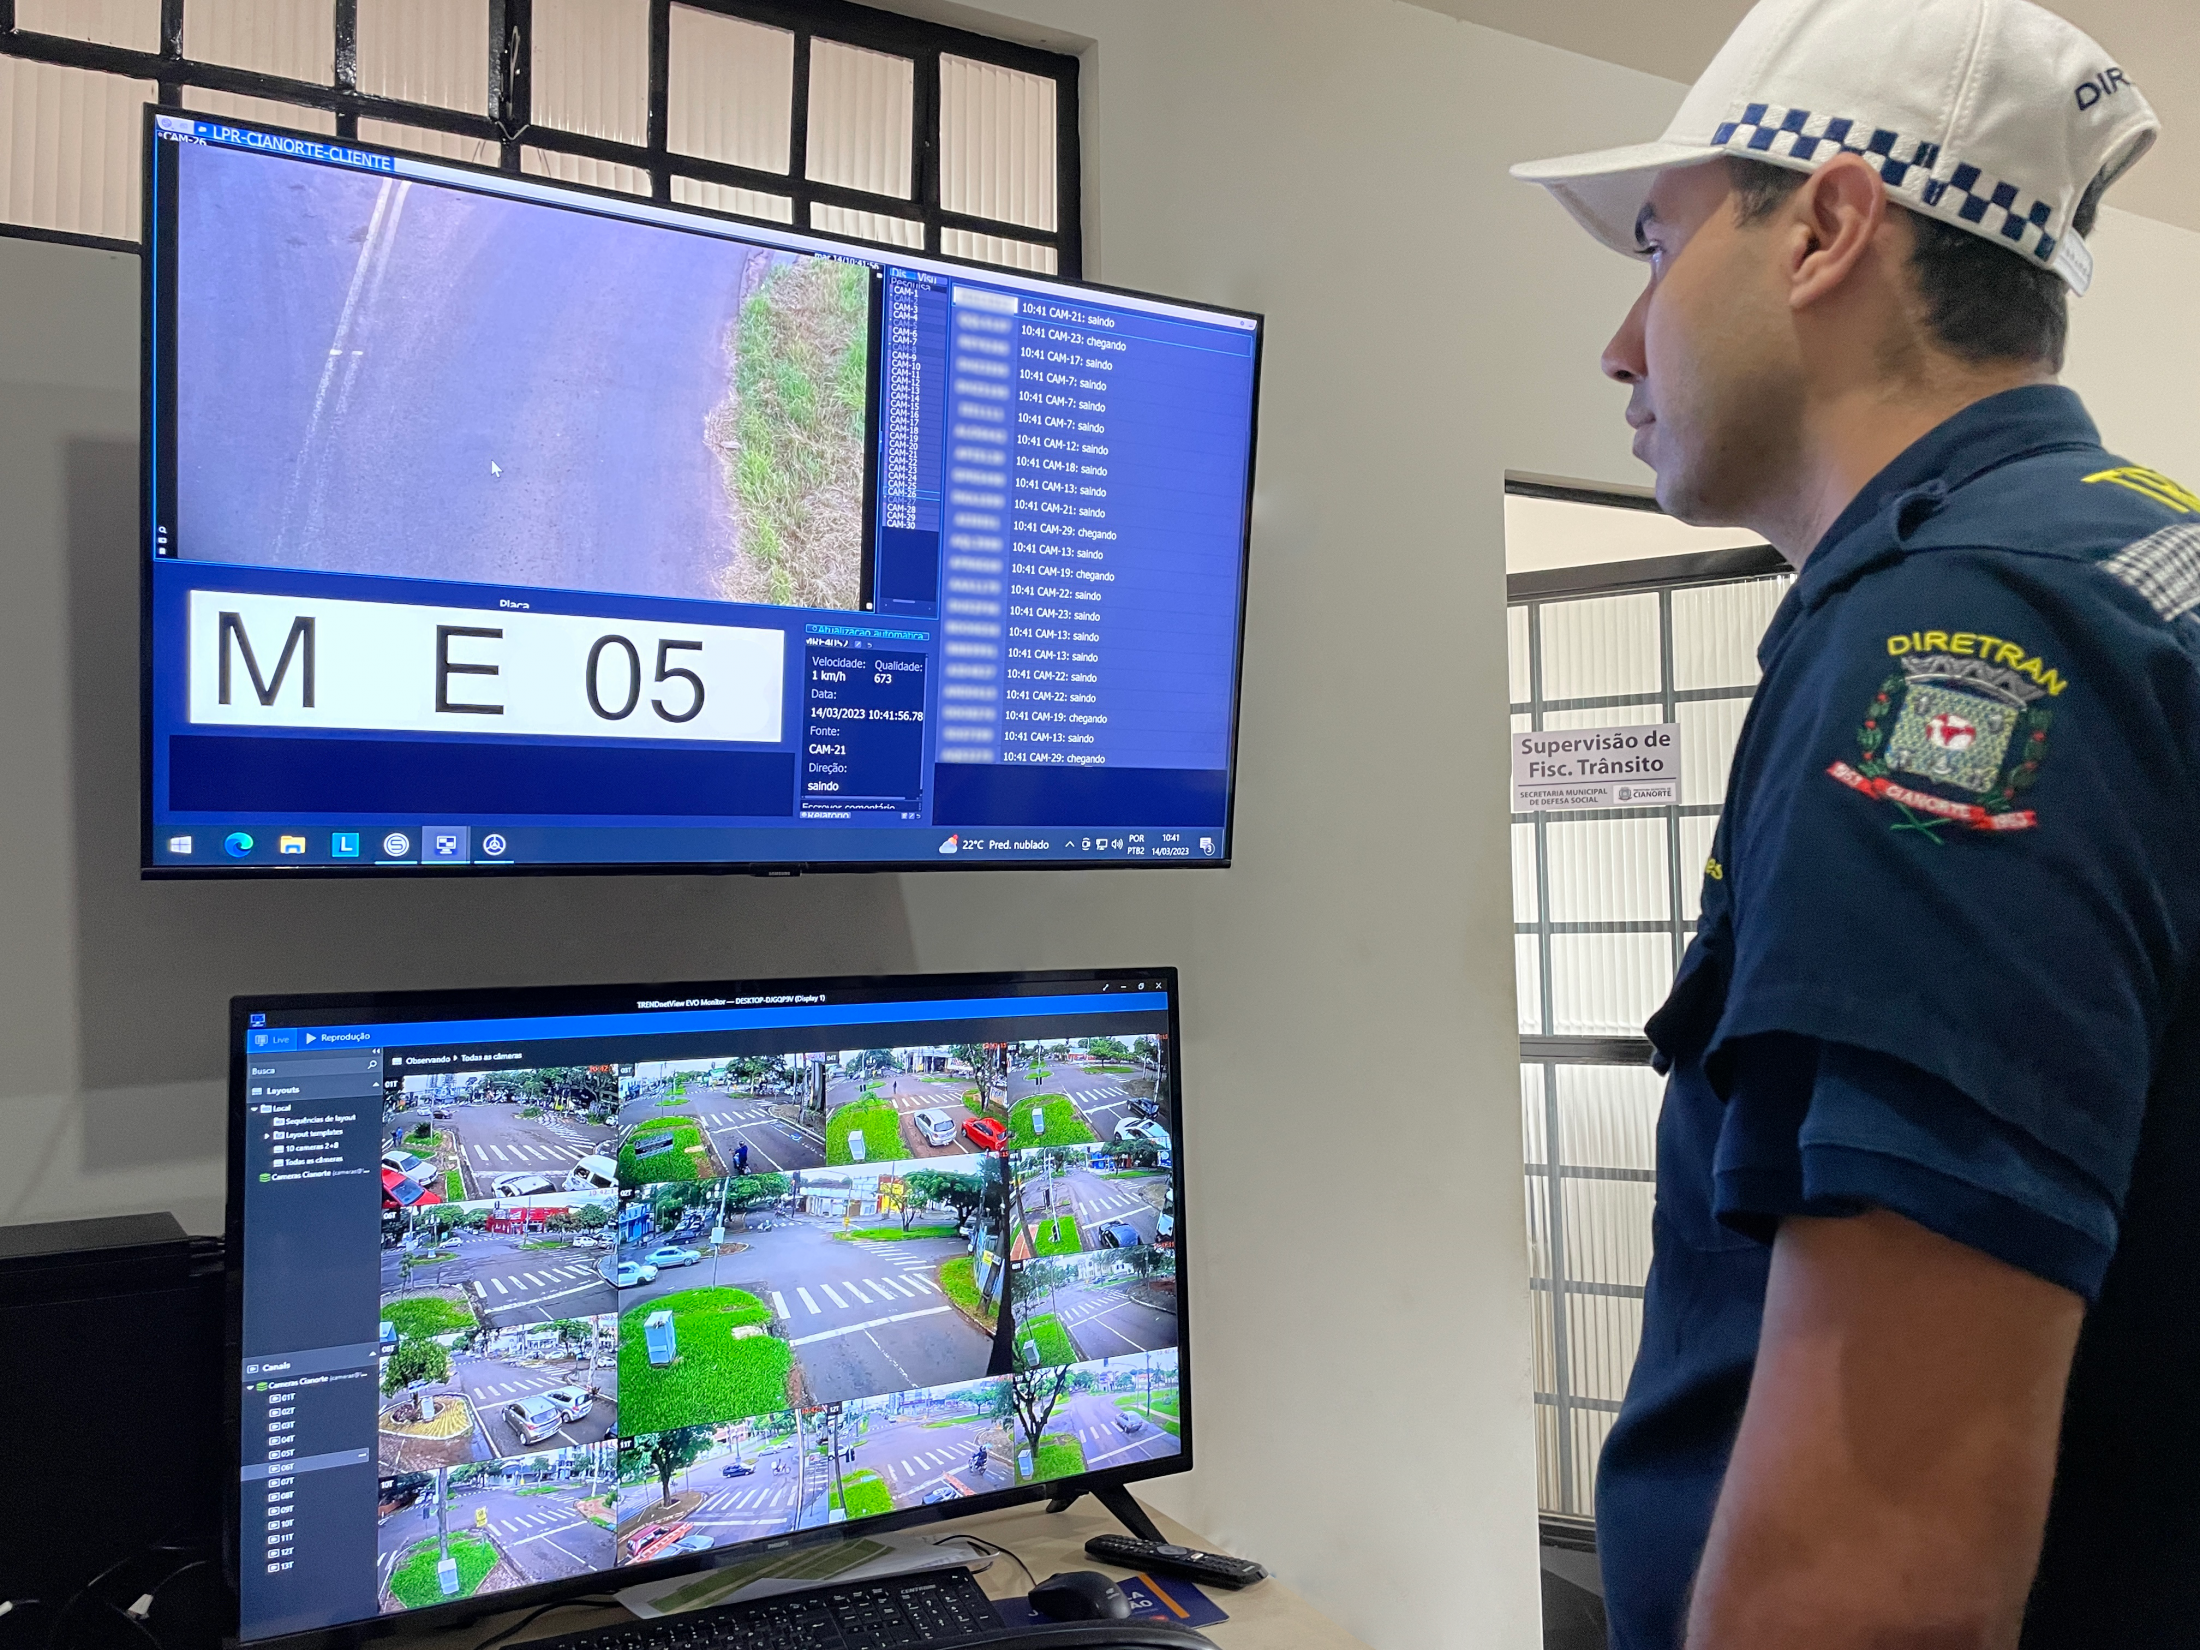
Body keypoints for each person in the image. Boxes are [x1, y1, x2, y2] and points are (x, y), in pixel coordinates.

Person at [1512, 1, 2193, 1645]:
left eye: (1656, 245)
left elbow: (1886, 1554)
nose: (1621, 344)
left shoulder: (1955, 638)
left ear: (1825, 227)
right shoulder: (2142, 565)